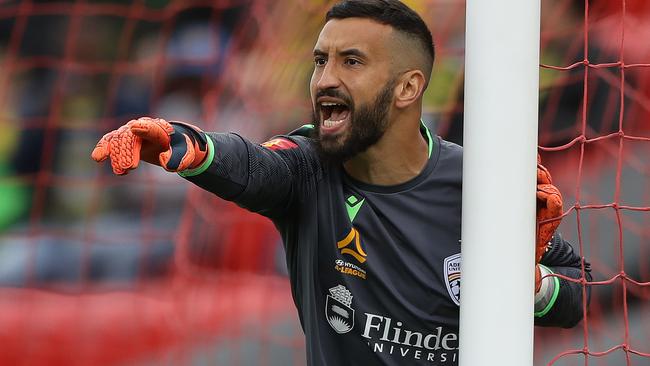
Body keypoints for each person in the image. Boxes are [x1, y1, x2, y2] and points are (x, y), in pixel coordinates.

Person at [91, 1, 591, 364]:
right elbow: (255, 167)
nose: (324, 79)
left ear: (408, 87)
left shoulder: (481, 182)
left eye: (351, 61)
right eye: (320, 61)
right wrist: (182, 143)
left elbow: (579, 293)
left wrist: (533, 286)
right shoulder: (308, 168)